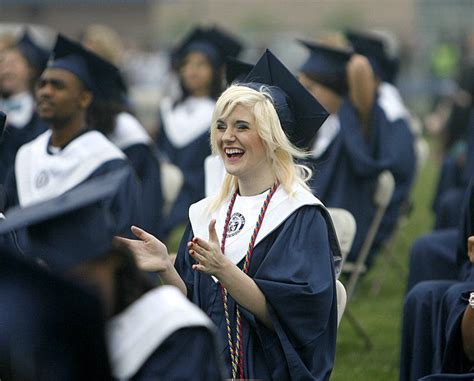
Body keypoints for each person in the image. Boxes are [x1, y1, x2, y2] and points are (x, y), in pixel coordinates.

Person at [120, 50, 340, 380]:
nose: (227, 137)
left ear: (271, 137)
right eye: (221, 126)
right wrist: (166, 267)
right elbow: (193, 308)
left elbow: (292, 319)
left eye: (241, 126)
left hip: (265, 368)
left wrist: (224, 270)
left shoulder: (300, 216)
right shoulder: (206, 213)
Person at [0, 169, 223, 381]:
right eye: (57, 286)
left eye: (81, 280)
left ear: (113, 263)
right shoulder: (49, 339)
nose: (71, 297)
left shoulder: (172, 330)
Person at [2, 34, 141, 251]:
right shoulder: (27, 157)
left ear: (84, 99)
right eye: (42, 84)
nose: (46, 92)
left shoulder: (109, 164)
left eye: (57, 86)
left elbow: (121, 243)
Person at [298, 38, 415, 267]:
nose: (302, 94)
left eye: (310, 88)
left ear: (335, 90)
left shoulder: (355, 129)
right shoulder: (312, 129)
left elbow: (360, 72)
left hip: (337, 228)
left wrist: (353, 64)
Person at [156, 25, 242, 238]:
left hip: (203, 193)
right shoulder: (169, 109)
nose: (192, 70)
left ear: (217, 70)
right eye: (186, 64)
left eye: (201, 64)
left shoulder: (223, 111)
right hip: (165, 198)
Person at [0, 31, 49, 184]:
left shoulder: (42, 112)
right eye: (1, 63)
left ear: (30, 69)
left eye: (13, 63)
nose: (6, 69)